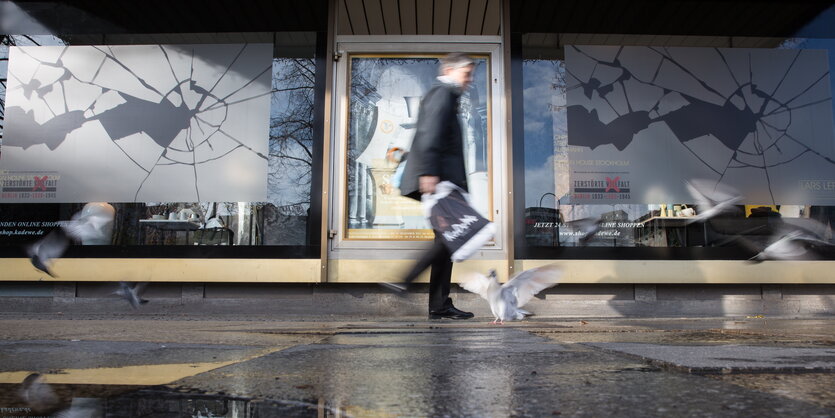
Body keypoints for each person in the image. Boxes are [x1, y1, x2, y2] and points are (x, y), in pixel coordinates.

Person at [393, 53, 476, 320]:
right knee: (449, 238)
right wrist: (428, 171)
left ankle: (438, 305)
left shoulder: (446, 95)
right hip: (439, 180)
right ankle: (406, 280)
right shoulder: (442, 93)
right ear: (450, 70)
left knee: (448, 239)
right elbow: (430, 132)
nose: (469, 80)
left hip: (442, 180)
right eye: (467, 74)